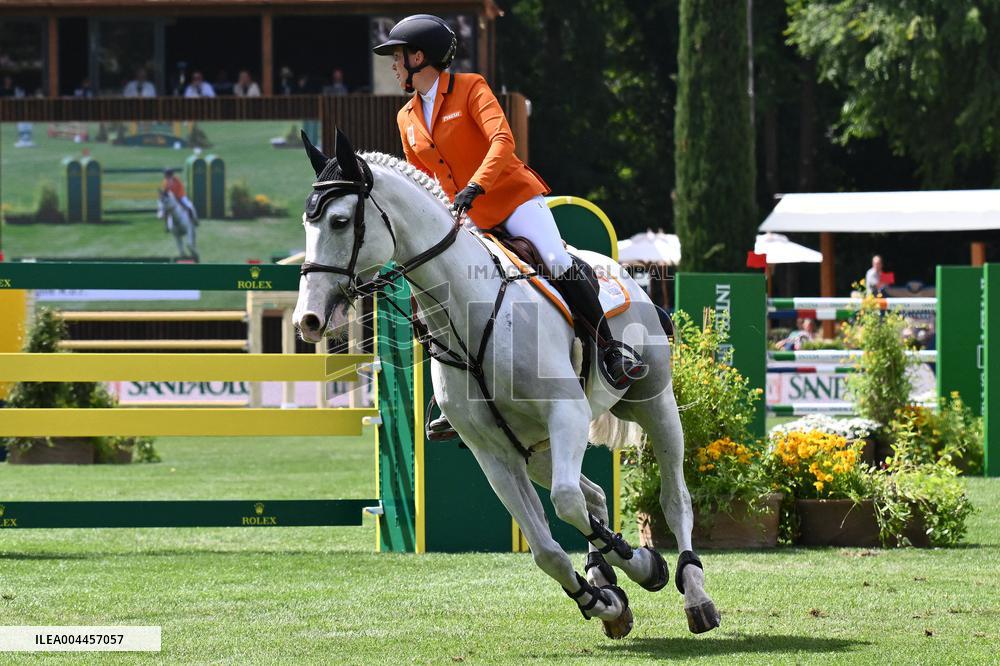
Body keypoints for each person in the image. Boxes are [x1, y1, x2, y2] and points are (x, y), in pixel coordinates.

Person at [373, 14, 647, 396]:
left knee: (555, 260)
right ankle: (458, 395)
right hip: (465, 218)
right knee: (445, 287)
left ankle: (610, 350)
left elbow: (502, 141)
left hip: (513, 200)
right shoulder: (406, 117)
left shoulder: (470, 88)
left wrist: (475, 186)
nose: (394, 64)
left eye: (398, 56)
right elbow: (421, 178)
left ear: (419, 57)